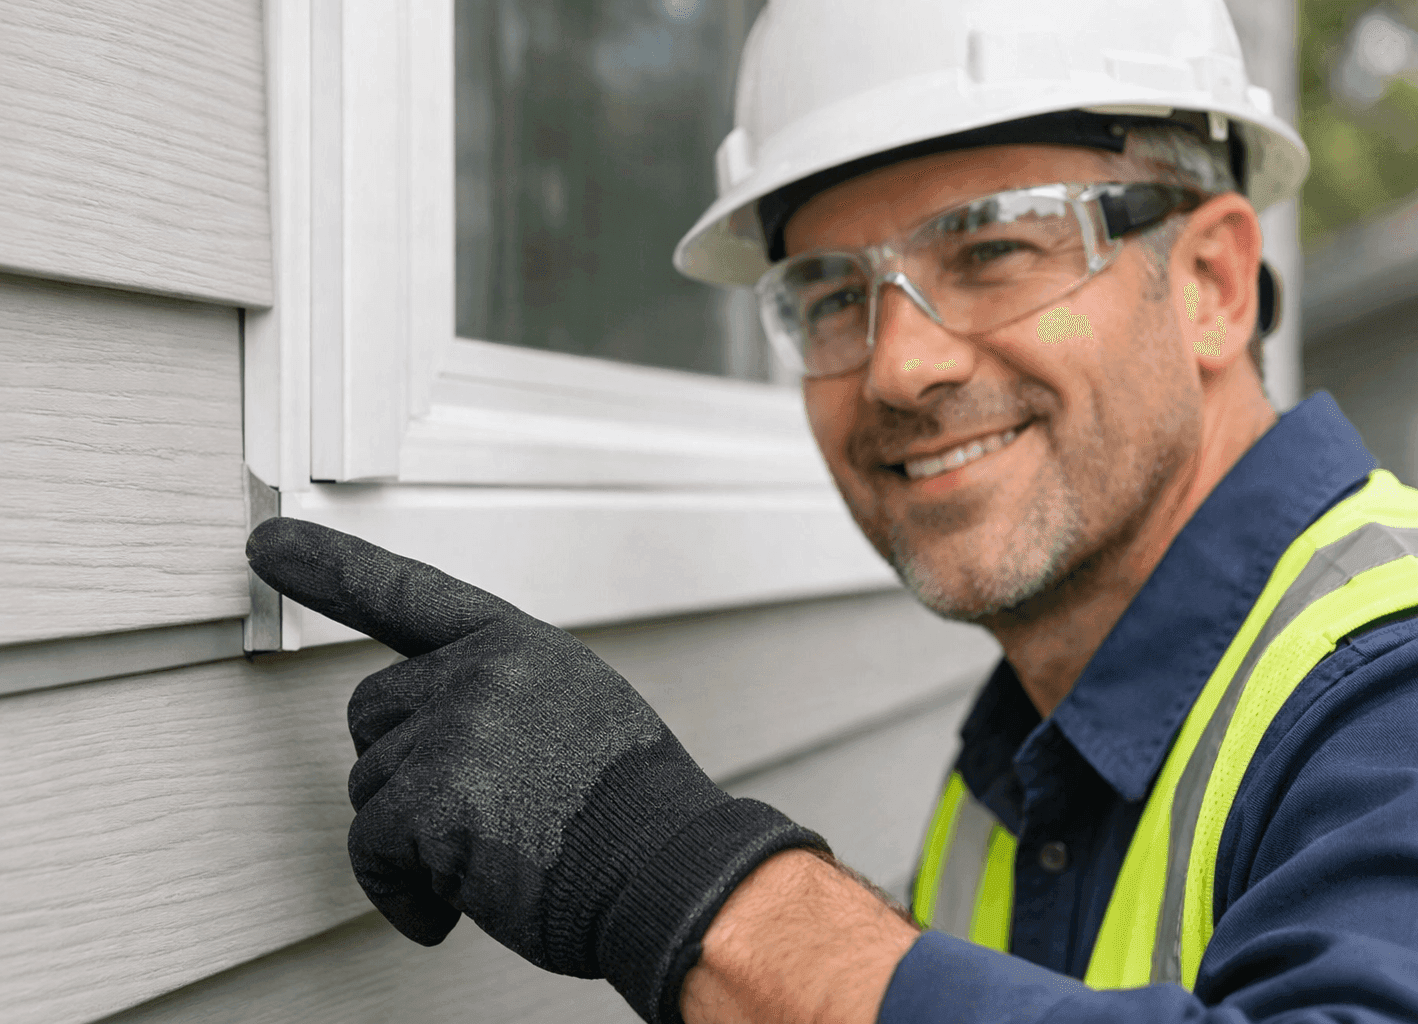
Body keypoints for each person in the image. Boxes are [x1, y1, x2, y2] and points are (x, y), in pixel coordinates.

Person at [244, 1, 1418, 1021]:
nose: (899, 364)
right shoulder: (1019, 764)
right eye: (830, 293)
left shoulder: (1390, 682)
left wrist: (670, 874)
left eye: (997, 248)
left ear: (1211, 284)